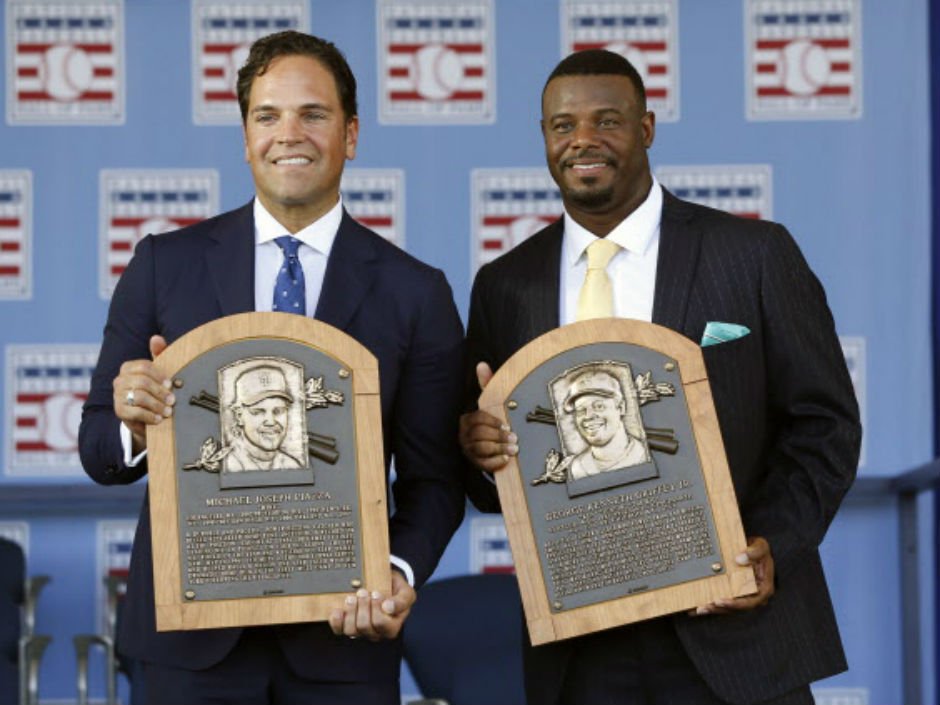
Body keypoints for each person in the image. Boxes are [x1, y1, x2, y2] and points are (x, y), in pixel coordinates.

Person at [459, 49, 861, 705]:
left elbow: (825, 425)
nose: (582, 140)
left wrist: (770, 547)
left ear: (646, 128)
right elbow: (489, 475)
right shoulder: (506, 285)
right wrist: (479, 454)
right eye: (563, 126)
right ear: (543, 137)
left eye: (607, 121)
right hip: (581, 649)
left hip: (735, 633)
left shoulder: (754, 254)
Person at [79, 30, 465, 705]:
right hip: (187, 649)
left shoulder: (415, 291)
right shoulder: (162, 265)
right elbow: (97, 447)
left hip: (341, 645)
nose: (290, 133)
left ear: (350, 134)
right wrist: (134, 424)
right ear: (245, 133)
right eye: (267, 115)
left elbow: (434, 481)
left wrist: (394, 571)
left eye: (313, 114)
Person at [562, 368, 649, 479]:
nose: (588, 416)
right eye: (581, 410)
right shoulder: (576, 469)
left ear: (621, 408)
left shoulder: (643, 456)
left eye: (599, 406)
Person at [223, 365, 304, 472]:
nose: (271, 421)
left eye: (278, 411)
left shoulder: (292, 466)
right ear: (239, 416)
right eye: (258, 412)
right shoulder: (229, 464)